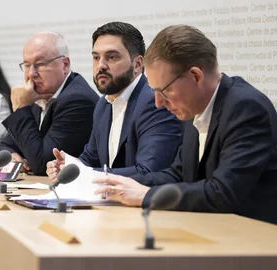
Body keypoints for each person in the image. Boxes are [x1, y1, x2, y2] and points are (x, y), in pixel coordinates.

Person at [93, 25, 277, 224]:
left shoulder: (245, 108)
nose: (158, 102)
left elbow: (224, 192)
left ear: (196, 76)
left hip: (255, 239)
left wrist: (146, 195)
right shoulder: (193, 108)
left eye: (164, 91)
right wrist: (121, 185)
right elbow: (178, 173)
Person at [46, 22, 182, 181]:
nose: (101, 66)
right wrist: (71, 166)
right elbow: (91, 159)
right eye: (96, 57)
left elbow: (149, 172)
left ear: (138, 64)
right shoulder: (104, 104)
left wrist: (85, 173)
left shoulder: (154, 103)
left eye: (112, 57)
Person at [0, 32, 99, 176]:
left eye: (40, 64)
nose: (31, 73)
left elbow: (42, 164)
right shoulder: (38, 93)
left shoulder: (77, 100)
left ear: (65, 64)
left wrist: (20, 107)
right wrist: (12, 156)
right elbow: (5, 145)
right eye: (27, 65)